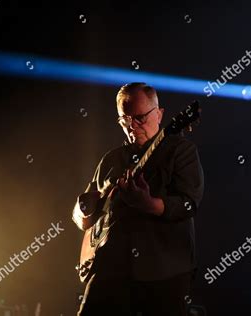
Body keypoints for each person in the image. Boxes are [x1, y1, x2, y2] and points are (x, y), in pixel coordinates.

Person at [72, 82, 204, 316]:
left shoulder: (181, 151)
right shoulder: (110, 160)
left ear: (159, 114)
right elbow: (81, 215)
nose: (133, 126)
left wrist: (149, 204)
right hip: (109, 267)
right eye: (125, 119)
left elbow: (188, 203)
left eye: (140, 117)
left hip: (164, 273)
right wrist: (83, 208)